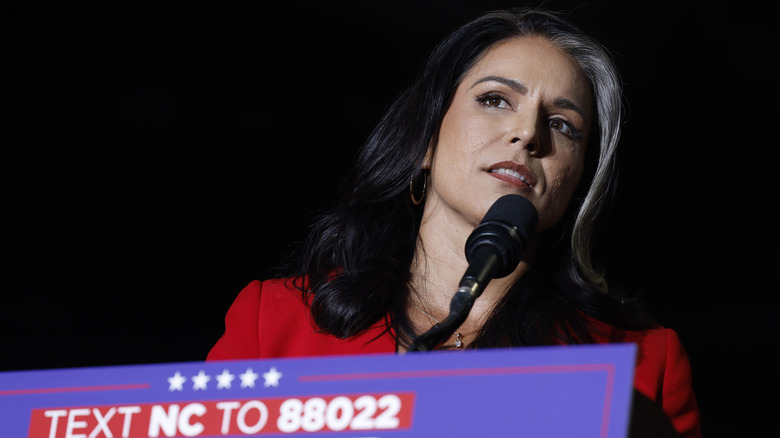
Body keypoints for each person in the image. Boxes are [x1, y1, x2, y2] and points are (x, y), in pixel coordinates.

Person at [208, 8, 701, 437]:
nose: (528, 134)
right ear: (426, 138)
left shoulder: (642, 362)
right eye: (495, 100)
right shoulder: (271, 323)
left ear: (577, 183)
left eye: (562, 125)